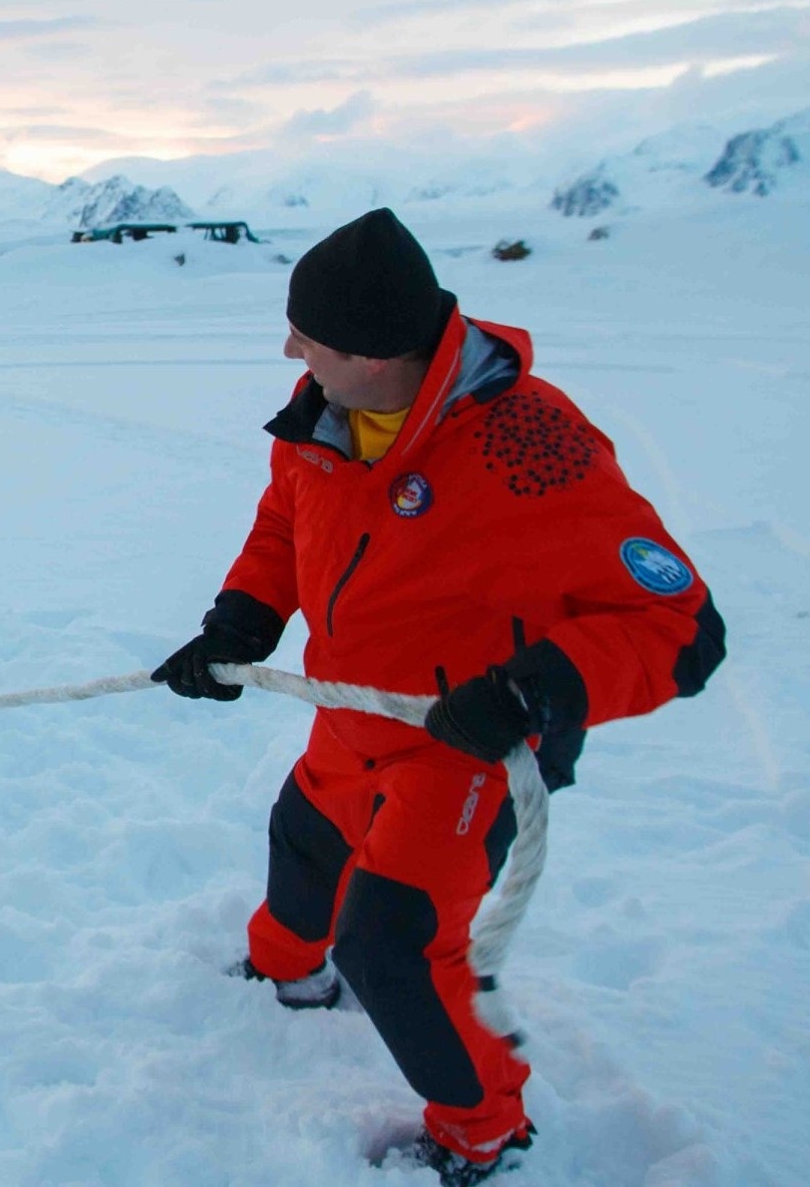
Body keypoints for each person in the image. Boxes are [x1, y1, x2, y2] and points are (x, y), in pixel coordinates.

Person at [150, 208, 725, 1185]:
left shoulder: (532, 449)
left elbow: (680, 630)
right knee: (302, 839)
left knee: (392, 944)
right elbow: (286, 524)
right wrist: (238, 622)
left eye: (310, 337)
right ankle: (285, 977)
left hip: (467, 744)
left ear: (377, 355)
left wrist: (527, 695)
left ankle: (482, 1134)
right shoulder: (321, 412)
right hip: (356, 708)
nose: (289, 350)